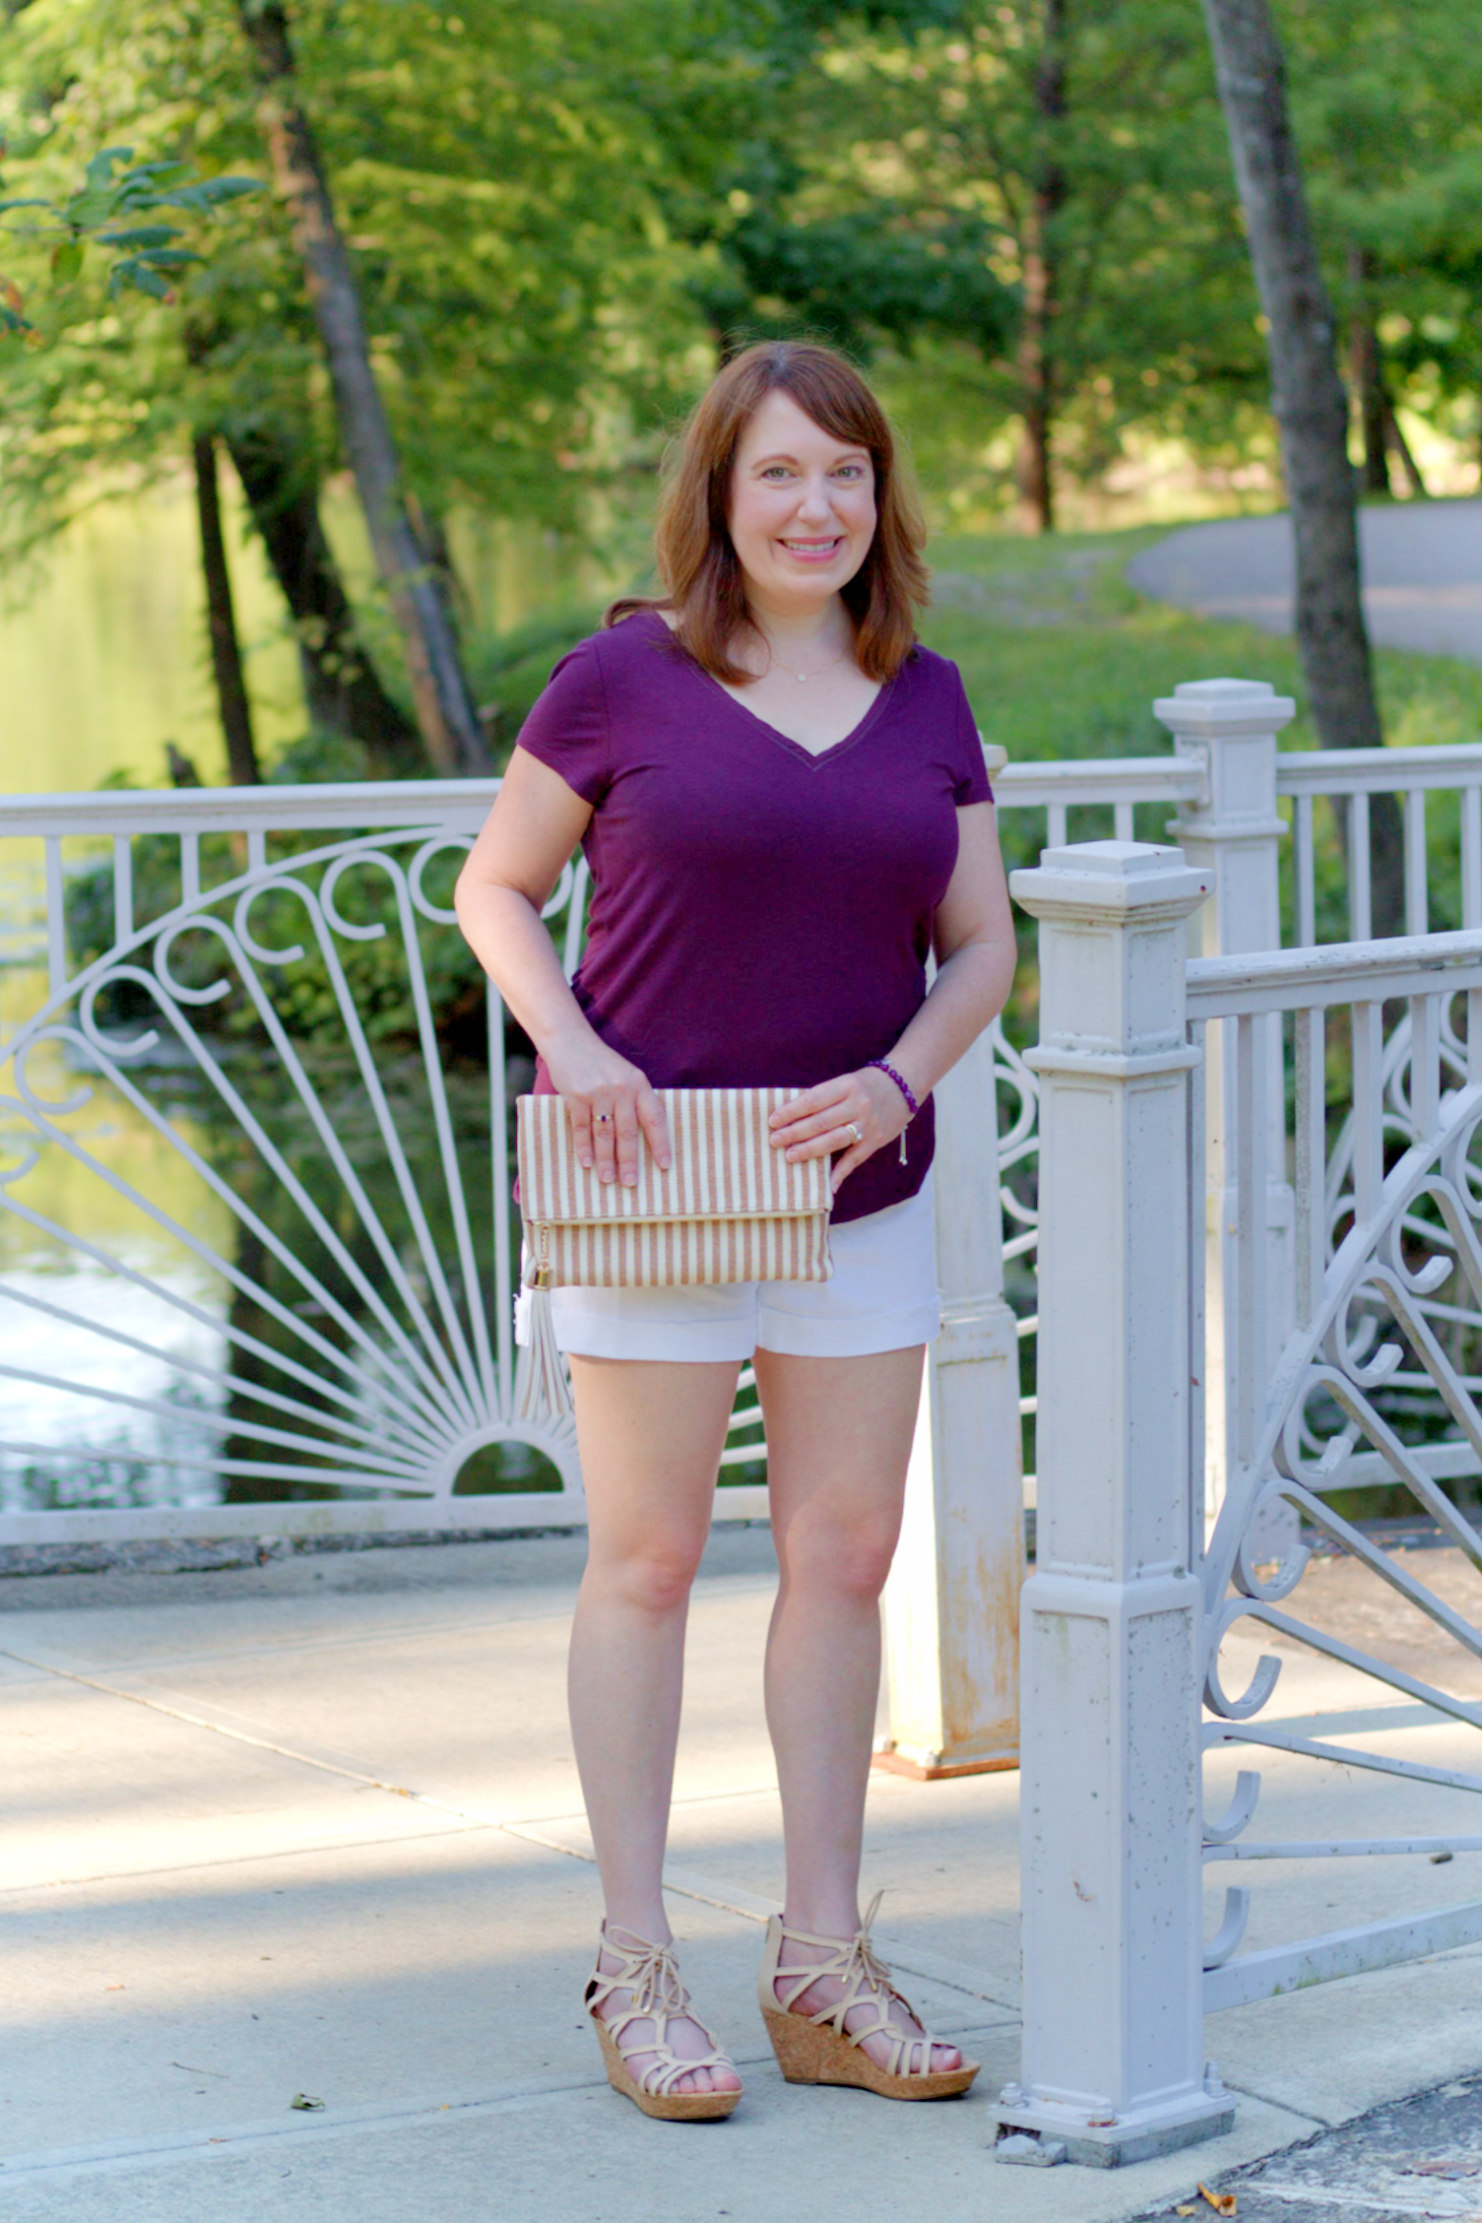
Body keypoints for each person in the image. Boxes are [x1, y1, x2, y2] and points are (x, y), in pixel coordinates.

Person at [454, 340, 1016, 2121]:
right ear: (717, 491)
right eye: (777, 473)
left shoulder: (920, 692)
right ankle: (635, 1968)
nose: (813, 506)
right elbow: (497, 887)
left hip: (852, 1194)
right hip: (642, 1193)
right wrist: (576, 1047)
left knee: (842, 1559)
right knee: (649, 1562)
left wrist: (902, 1078)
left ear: (880, 499)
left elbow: (982, 945)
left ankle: (819, 1964)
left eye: (844, 474)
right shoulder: (621, 679)